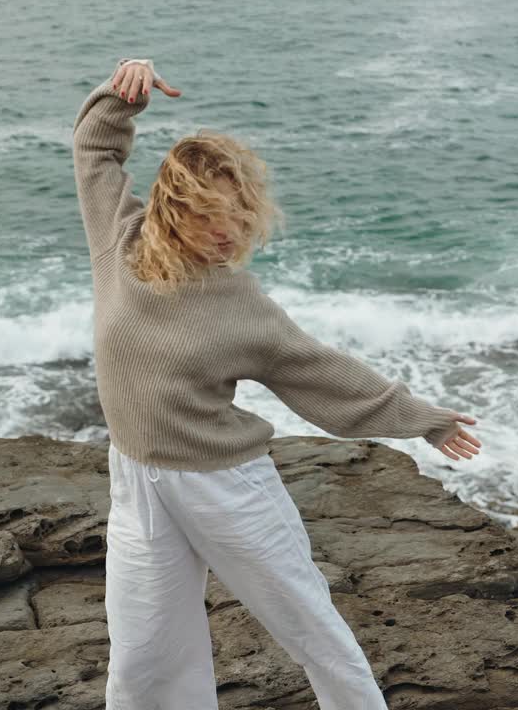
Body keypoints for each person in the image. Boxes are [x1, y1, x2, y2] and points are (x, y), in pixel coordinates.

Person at [72, 56, 482, 710]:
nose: (228, 234)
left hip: (225, 485)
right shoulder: (118, 239)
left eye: (237, 217)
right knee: (143, 661)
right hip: (137, 482)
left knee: (311, 627)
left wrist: (423, 419)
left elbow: (320, 373)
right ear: (174, 210)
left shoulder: (239, 301)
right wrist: (124, 93)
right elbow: (95, 149)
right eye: (210, 217)